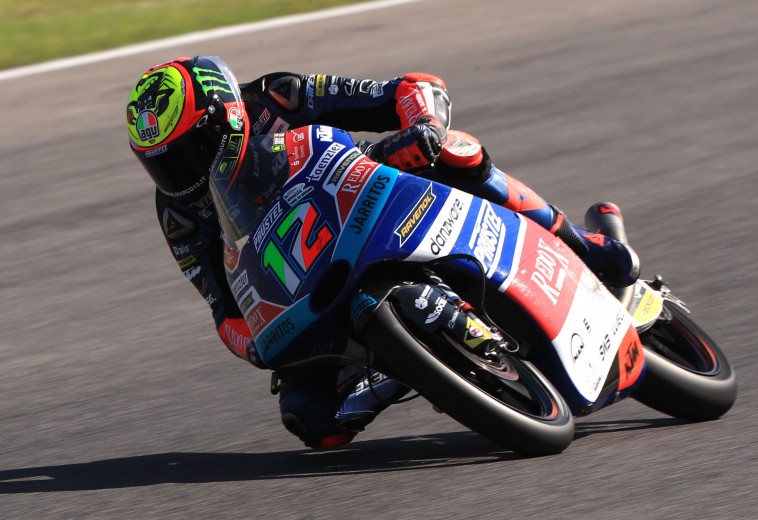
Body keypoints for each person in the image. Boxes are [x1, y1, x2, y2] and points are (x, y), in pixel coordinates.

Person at [126, 55, 639, 449]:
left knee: (456, 151)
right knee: (312, 419)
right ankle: (410, 363)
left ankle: (580, 241)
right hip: (308, 282)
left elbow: (409, 88)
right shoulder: (179, 215)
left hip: (370, 198)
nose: (181, 175)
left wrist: (424, 128)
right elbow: (223, 309)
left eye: (190, 151)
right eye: (162, 164)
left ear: (228, 114)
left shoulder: (278, 98)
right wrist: (253, 344)